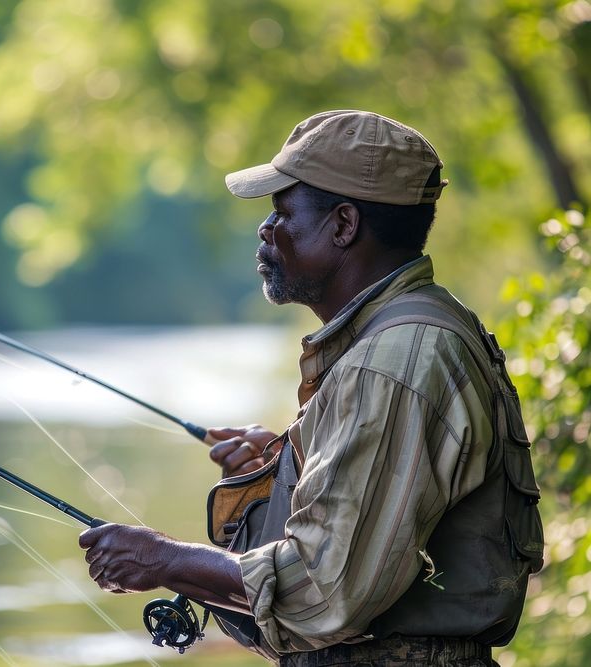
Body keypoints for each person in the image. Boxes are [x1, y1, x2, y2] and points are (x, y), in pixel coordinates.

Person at [78, 110, 543, 666]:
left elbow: (323, 591)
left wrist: (163, 560)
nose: (266, 229)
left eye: (282, 212)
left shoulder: (393, 361)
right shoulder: (404, 337)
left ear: (344, 225)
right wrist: (279, 476)